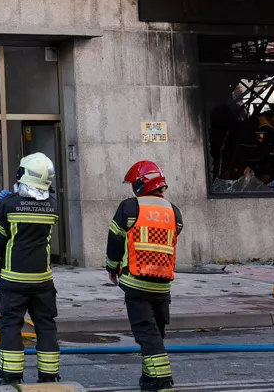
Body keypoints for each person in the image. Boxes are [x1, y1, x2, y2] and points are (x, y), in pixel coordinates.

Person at [106, 160, 184, 392]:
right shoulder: (174, 211)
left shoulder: (129, 207)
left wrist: (112, 267)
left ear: (140, 185)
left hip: (136, 281)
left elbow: (115, 239)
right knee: (156, 333)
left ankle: (163, 381)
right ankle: (149, 381)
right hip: (162, 285)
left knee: (146, 334)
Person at [0, 152, 60, 385]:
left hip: (14, 280)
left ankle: (11, 376)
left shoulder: (8, 204)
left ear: (23, 174)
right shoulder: (53, 206)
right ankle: (49, 376)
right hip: (43, 281)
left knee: (10, 326)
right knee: (46, 326)